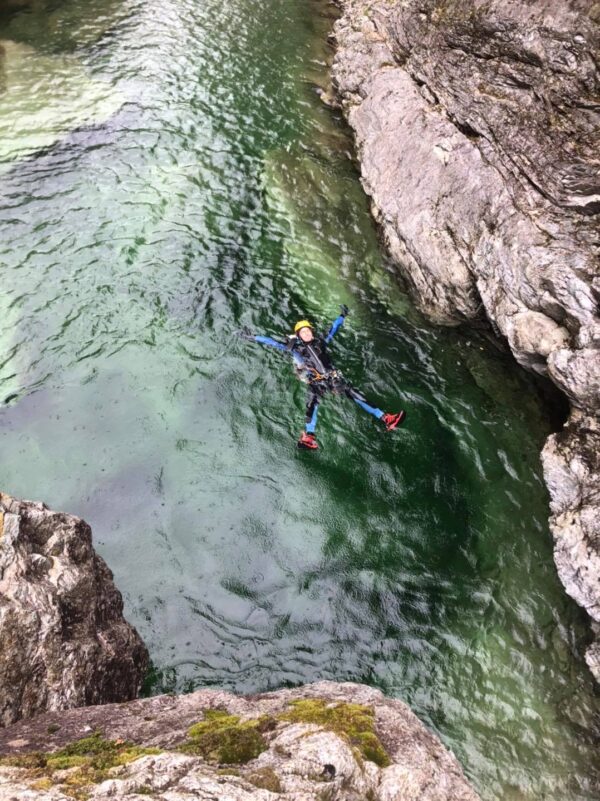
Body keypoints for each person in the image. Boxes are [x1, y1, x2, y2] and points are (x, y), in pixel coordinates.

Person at [239, 305, 406, 450]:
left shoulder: (321, 342)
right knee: (312, 401)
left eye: (308, 330)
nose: (306, 333)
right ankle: (309, 436)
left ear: (312, 331)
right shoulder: (295, 349)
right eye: (302, 332)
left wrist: (342, 315)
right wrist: (252, 337)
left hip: (332, 377)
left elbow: (333, 329)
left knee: (354, 393)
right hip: (316, 380)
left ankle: (386, 418)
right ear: (298, 335)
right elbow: (271, 342)